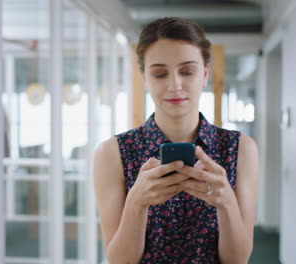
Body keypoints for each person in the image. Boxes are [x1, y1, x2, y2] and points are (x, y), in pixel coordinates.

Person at [94, 17, 259, 264]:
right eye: (160, 74)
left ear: (204, 74)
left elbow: (237, 260)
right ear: (144, 78)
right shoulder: (113, 153)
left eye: (187, 71)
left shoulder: (240, 149)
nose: (175, 85)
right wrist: (136, 204)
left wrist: (226, 202)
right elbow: (120, 261)